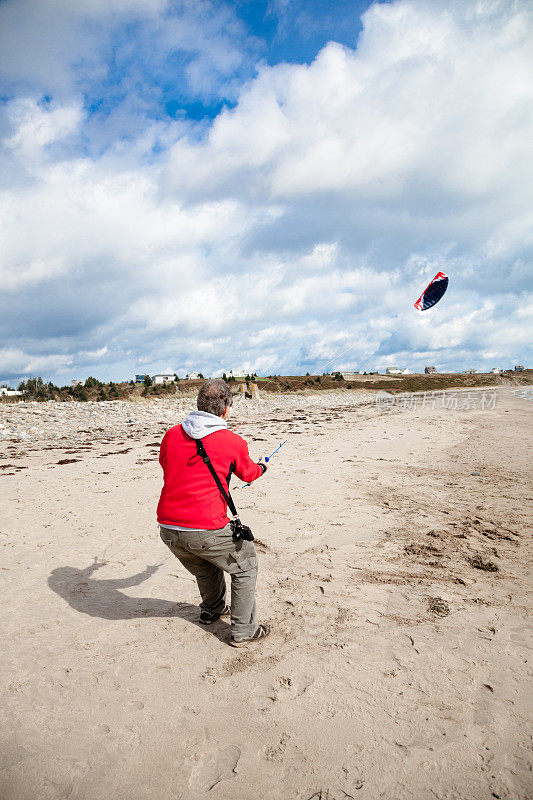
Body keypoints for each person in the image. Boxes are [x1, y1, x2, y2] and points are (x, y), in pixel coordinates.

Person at [157, 378, 270, 647]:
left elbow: (167, 465)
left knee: (206, 568)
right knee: (246, 565)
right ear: (226, 409)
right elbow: (249, 473)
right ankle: (244, 630)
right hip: (203, 529)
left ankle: (212, 609)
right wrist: (263, 467)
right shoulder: (232, 441)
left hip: (169, 529)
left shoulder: (172, 434)